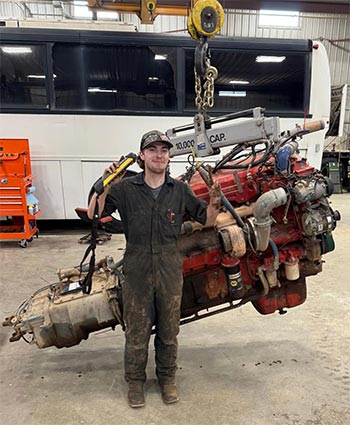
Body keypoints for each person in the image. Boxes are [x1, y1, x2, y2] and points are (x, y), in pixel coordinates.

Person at [88, 130, 221, 408]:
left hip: (170, 266)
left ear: (169, 156)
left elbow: (206, 219)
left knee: (169, 330)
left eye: (164, 150)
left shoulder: (180, 190)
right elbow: (94, 214)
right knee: (136, 330)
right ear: (142, 156)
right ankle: (135, 382)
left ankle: (167, 379)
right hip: (136, 267)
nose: (159, 154)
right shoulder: (125, 188)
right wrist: (106, 182)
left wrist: (215, 200)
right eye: (153, 150)